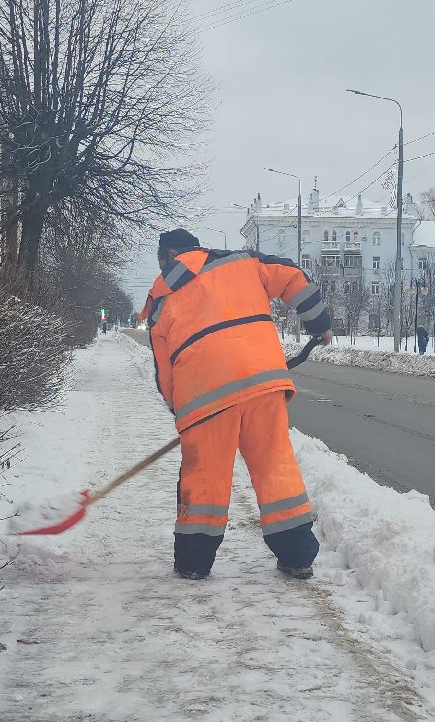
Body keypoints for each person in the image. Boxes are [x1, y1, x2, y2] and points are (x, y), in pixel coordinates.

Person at [139, 229, 333, 581]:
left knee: (205, 478)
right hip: (263, 384)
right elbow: (295, 277)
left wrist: (180, 408)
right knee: (275, 466)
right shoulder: (243, 263)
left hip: (203, 399)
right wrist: (318, 323)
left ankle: (194, 563)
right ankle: (298, 557)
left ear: (167, 256)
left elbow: (164, 370)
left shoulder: (161, 295)